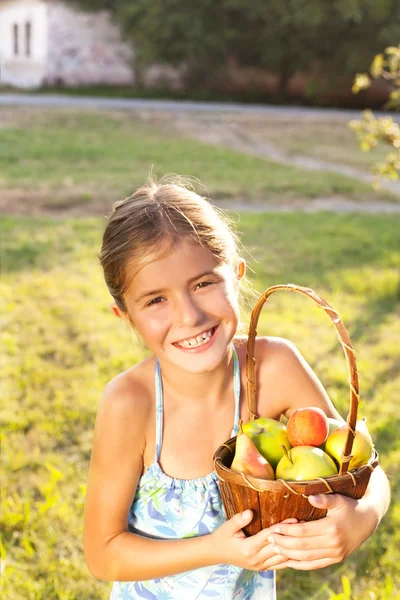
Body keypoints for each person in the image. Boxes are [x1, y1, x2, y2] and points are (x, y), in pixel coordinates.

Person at [83, 176, 390, 600]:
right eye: (156, 300)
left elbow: (361, 466)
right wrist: (216, 550)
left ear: (236, 274)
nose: (188, 316)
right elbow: (103, 554)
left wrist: (365, 516)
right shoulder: (129, 403)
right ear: (126, 316)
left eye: (203, 283)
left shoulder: (274, 367)